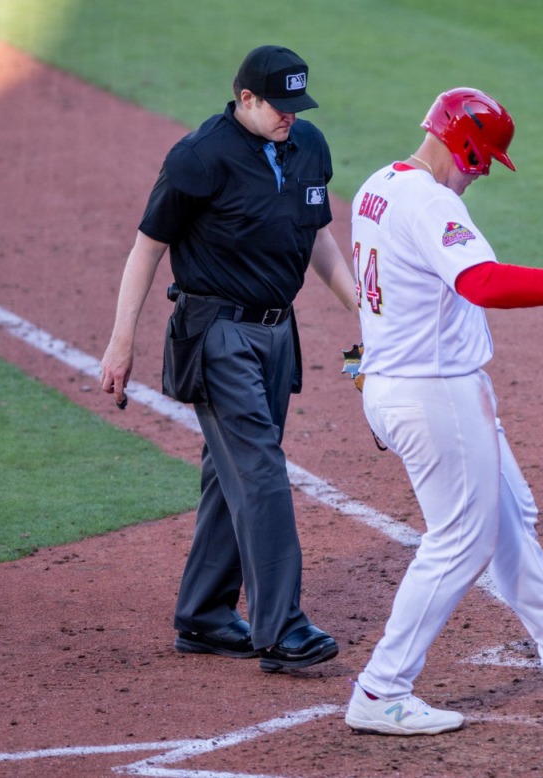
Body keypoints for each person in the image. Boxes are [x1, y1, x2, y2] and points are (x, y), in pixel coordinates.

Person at [343, 87, 543, 735]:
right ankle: (381, 688)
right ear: (461, 144)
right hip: (432, 391)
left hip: (408, 381)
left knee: (510, 517)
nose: (481, 172)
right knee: (460, 539)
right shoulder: (430, 201)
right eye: (482, 159)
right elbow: (480, 282)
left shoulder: (379, 184)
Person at [100, 45, 357, 674]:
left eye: (298, 106)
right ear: (245, 99)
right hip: (215, 333)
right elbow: (147, 248)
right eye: (278, 106)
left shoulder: (308, 146)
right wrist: (122, 339)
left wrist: (362, 308)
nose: (290, 117)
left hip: (276, 333)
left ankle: (207, 616)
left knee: (230, 472)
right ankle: (282, 629)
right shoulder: (199, 156)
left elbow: (317, 234)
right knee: (262, 470)